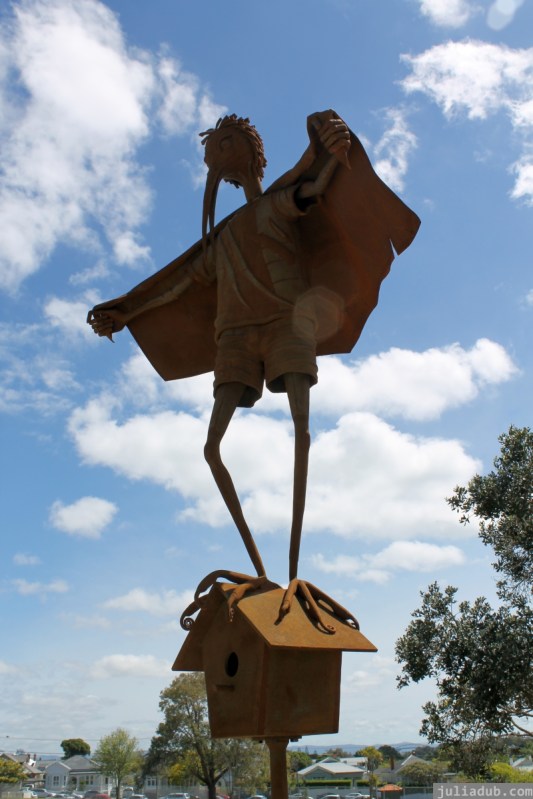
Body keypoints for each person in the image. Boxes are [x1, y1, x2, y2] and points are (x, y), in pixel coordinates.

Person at [88, 110, 420, 632]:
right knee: (212, 447)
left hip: (288, 322)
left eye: (224, 144)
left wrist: (332, 154)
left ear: (244, 150)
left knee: (301, 431)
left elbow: (308, 187)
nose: (216, 157)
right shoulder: (218, 240)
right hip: (236, 337)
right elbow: (175, 284)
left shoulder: (275, 205)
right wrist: (126, 310)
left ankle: (293, 578)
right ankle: (264, 575)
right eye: (212, 150)